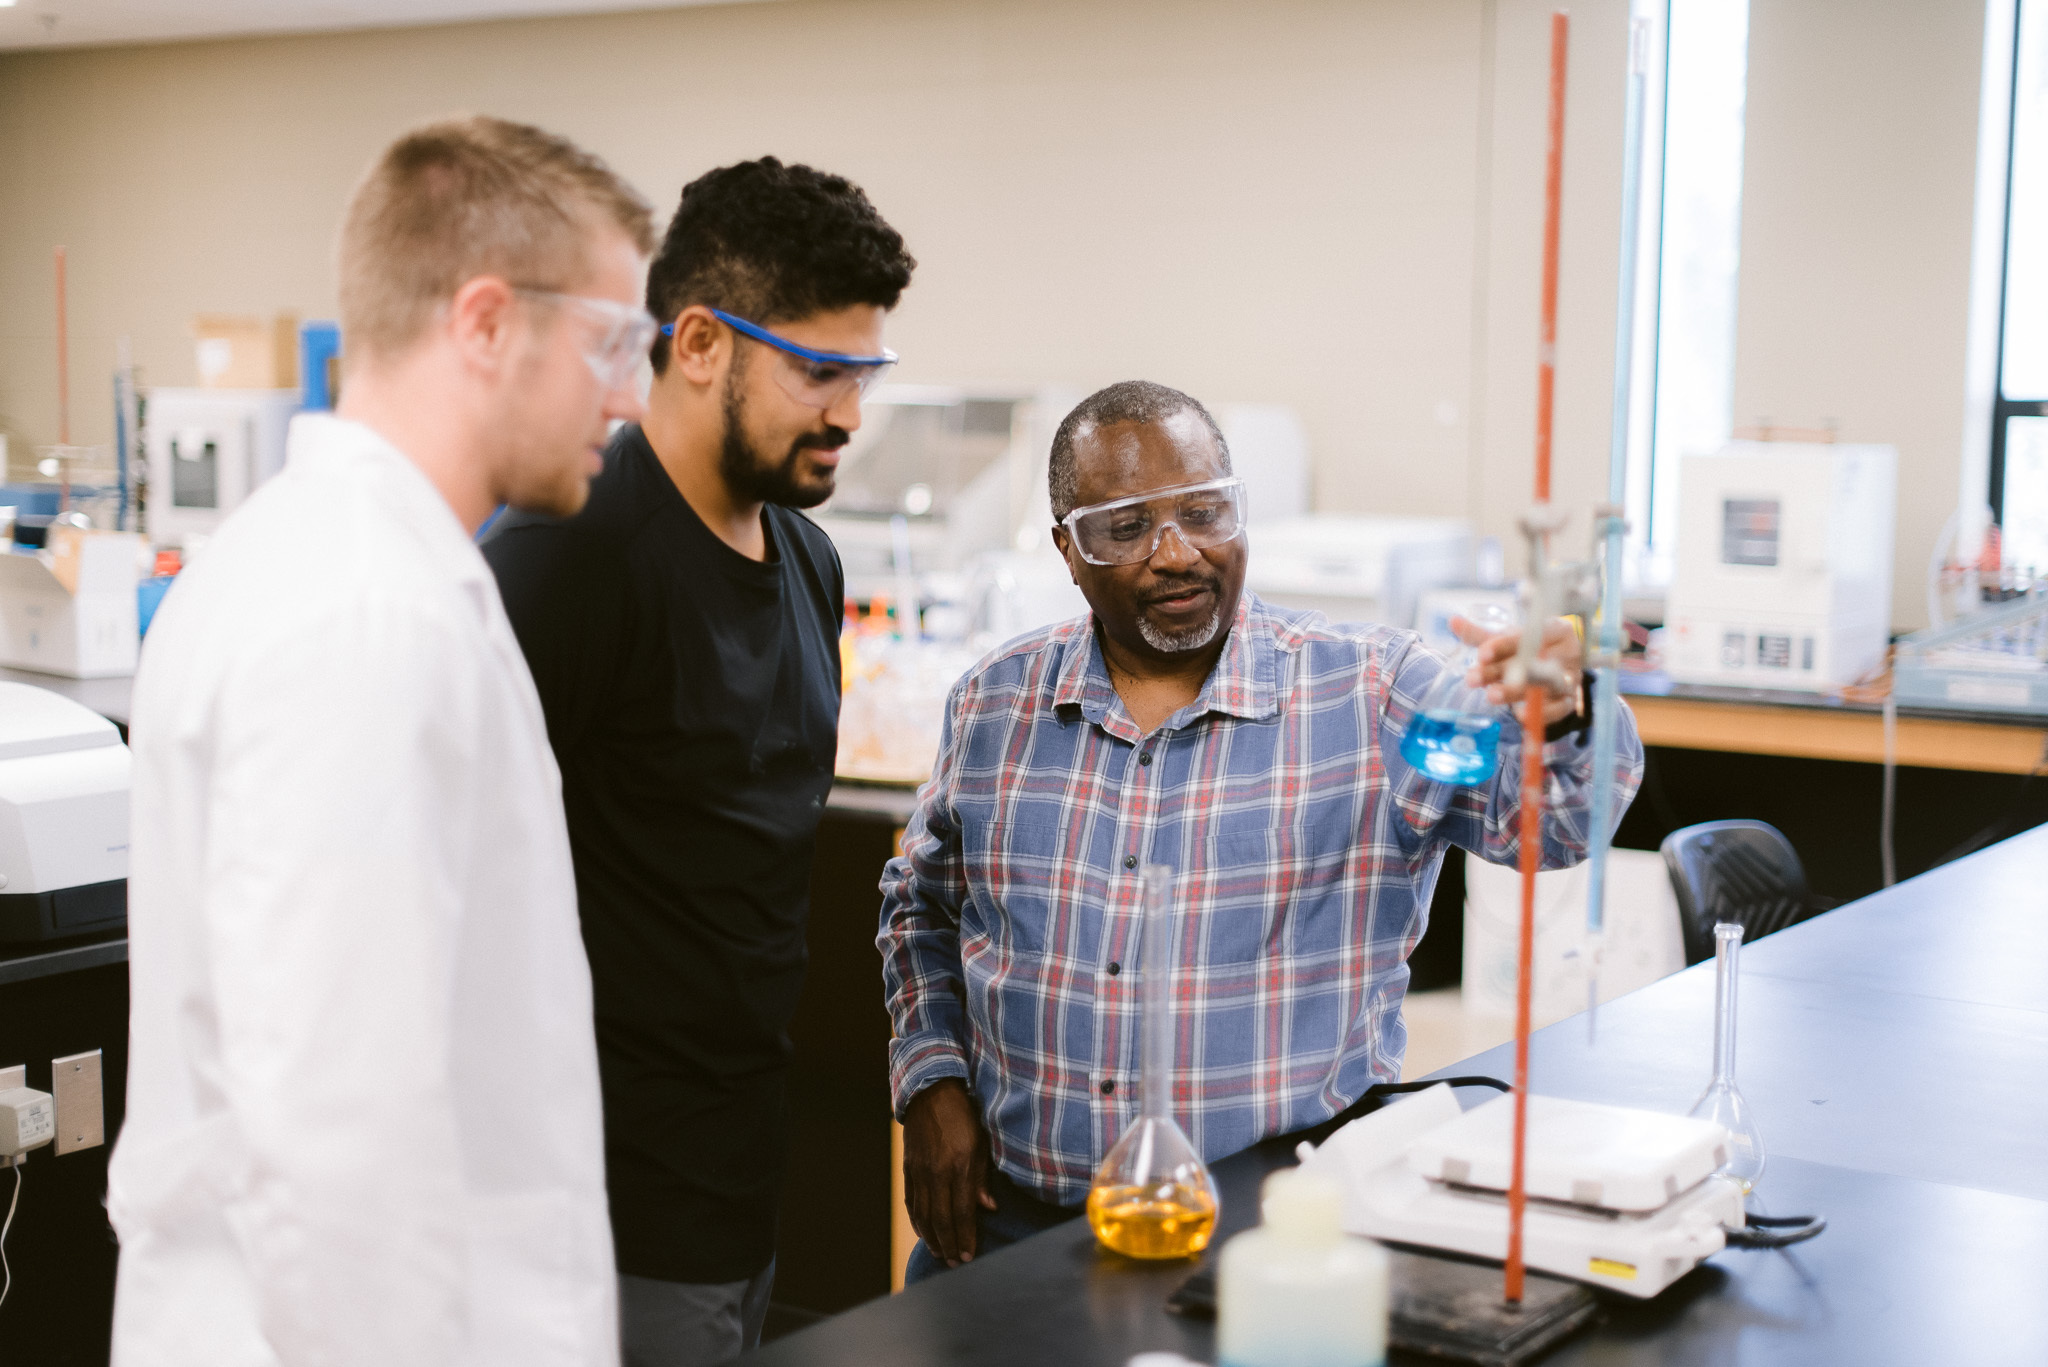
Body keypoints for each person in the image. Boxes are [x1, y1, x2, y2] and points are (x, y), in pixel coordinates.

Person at [879, 380, 1645, 1278]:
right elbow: (920, 905)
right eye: (1126, 528)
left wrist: (1570, 714)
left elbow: (1551, 826)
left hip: (1274, 1240)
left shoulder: (1373, 697)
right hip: (1006, 1230)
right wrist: (930, 1076)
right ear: (1069, 550)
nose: (1176, 553)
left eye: (1205, 512)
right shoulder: (995, 702)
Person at [109, 117, 656, 1366]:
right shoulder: (362, 610)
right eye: (609, 342)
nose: (627, 397)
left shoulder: (338, 567)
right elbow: (333, 1127)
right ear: (483, 320)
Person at [482, 158, 915, 1366]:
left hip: (738, 1169)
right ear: (697, 342)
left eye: (863, 374)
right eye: (818, 372)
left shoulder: (806, 562)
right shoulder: (568, 560)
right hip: (595, 1200)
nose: (848, 414)